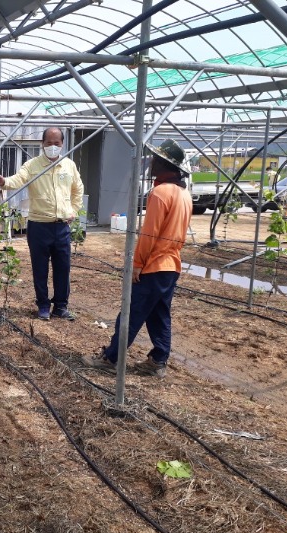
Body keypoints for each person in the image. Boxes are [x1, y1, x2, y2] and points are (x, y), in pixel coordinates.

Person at [82, 138, 193, 378]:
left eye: (155, 158)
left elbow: (149, 234)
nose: (151, 162)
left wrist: (138, 263)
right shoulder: (184, 194)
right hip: (171, 265)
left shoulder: (160, 192)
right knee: (159, 313)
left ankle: (110, 358)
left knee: (130, 313)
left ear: (165, 164)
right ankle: (158, 359)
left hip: (154, 265)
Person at [0, 127, 84, 320]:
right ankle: (43, 305)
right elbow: (18, 180)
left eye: (57, 143)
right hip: (39, 226)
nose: (53, 147)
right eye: (49, 143)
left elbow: (78, 190)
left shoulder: (69, 166)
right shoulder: (33, 165)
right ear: (42, 144)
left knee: (63, 268)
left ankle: (61, 306)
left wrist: (73, 211)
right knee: (40, 268)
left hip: (61, 226)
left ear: (62, 144)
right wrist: (4, 182)